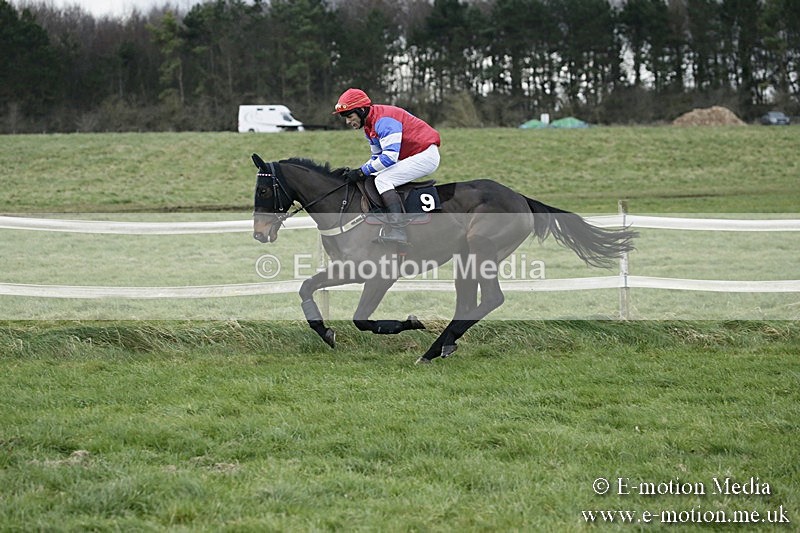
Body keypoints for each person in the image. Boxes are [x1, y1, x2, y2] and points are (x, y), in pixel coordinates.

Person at [333, 88, 441, 244]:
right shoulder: (369, 127)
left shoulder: (383, 121)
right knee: (373, 177)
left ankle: (398, 230)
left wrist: (361, 171)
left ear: (362, 110)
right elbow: (376, 158)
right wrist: (360, 172)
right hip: (411, 154)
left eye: (349, 116)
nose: (348, 122)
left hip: (425, 155)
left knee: (383, 180)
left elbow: (390, 157)